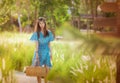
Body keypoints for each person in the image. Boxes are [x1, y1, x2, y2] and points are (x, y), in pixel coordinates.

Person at [30, 17, 54, 83]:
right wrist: (37, 54)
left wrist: (51, 53)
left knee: (47, 69)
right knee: (38, 69)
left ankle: (46, 82)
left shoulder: (49, 33)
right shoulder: (36, 33)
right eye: (40, 23)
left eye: (43, 23)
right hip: (39, 51)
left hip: (46, 51)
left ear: (45, 23)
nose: (41, 25)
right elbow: (36, 45)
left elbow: (49, 44)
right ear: (38, 24)